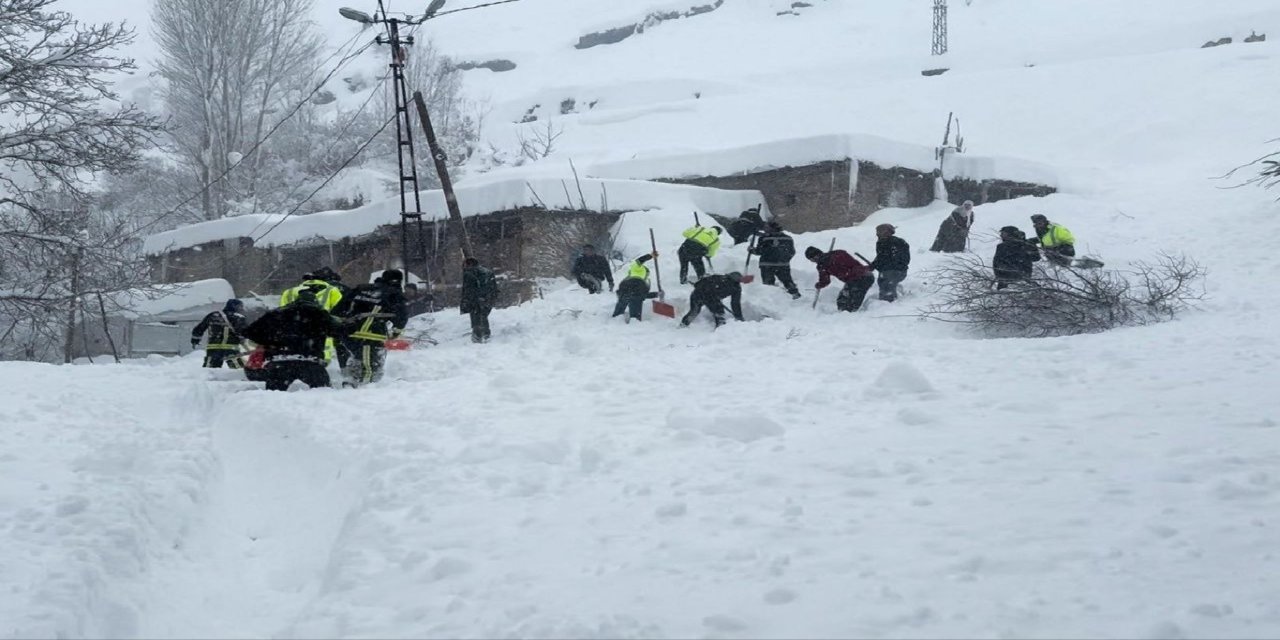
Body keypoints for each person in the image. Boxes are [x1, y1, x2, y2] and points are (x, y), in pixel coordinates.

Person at [241, 289, 344, 391]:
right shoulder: (320, 314)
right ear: (315, 302)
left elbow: (249, 332)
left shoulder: (277, 313)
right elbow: (341, 332)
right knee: (324, 396)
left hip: (279, 363)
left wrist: (269, 342)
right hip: (310, 363)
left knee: (272, 398)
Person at [332, 268, 408, 386]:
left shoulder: (361, 289)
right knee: (369, 367)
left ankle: (352, 382)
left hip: (348, 333)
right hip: (370, 334)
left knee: (359, 359)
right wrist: (395, 333)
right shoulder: (393, 293)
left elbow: (337, 310)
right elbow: (401, 317)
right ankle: (362, 390)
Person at [279, 270, 345, 364]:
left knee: (296, 359)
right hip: (321, 332)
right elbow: (340, 310)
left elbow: (282, 313)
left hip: (295, 331)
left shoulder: (289, 292)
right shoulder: (331, 290)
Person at [805, 245, 875, 312]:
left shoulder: (838, 255)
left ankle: (854, 317)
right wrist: (819, 284)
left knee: (853, 301)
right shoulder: (822, 266)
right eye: (812, 260)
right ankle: (843, 316)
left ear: (818, 254)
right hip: (851, 280)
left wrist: (865, 269)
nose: (814, 261)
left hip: (864, 277)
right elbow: (825, 280)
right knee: (842, 301)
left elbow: (855, 265)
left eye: (813, 258)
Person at [750, 221, 801, 299]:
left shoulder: (764, 238)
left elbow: (759, 251)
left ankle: (771, 299)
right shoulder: (787, 238)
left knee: (768, 284)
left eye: (767, 227)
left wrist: (752, 250)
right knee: (787, 280)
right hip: (782, 265)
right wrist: (785, 259)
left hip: (767, 265)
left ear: (772, 228)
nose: (764, 229)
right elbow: (792, 252)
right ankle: (794, 293)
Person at [191, 298, 247, 368]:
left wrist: (195, 340)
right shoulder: (239, 318)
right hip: (231, 348)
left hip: (213, 348)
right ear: (234, 306)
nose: (241, 308)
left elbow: (199, 328)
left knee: (209, 371)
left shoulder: (213, 315)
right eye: (240, 306)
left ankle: (208, 378)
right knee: (238, 371)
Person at [680, 272, 745, 328]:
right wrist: (708, 292)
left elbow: (735, 303)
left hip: (712, 298)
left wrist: (738, 316)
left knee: (719, 312)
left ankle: (721, 329)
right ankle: (683, 325)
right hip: (698, 295)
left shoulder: (736, 288)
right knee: (694, 311)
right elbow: (699, 284)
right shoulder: (717, 279)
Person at [612, 252, 660, 322]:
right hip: (637, 285)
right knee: (636, 299)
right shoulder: (637, 268)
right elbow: (639, 260)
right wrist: (650, 256)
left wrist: (657, 294)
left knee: (623, 298)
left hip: (625, 286)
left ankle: (617, 316)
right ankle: (634, 319)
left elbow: (643, 295)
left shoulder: (631, 277)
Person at [460, 257, 498, 343]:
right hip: (488, 298)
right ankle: (486, 334)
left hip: (475, 299)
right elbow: (494, 286)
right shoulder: (488, 271)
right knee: (484, 316)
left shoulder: (469, 273)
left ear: (469, 264)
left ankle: (477, 336)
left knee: (476, 317)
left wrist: (466, 301)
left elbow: (468, 289)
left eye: (465, 265)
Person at [869, 223, 910, 302]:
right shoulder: (881, 243)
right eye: (878, 232)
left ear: (889, 232)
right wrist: (873, 265)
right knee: (882, 280)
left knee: (887, 282)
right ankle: (887, 297)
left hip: (897, 271)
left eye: (882, 231)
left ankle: (888, 303)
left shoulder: (897, 242)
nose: (879, 234)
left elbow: (900, 259)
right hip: (887, 270)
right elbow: (880, 257)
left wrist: (884, 266)